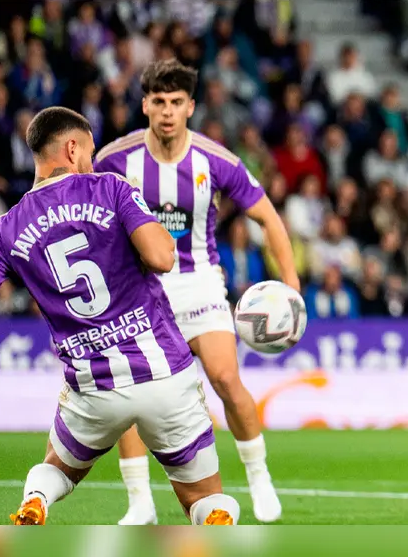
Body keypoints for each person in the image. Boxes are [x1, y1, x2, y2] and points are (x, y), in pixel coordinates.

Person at [0, 106, 239, 525]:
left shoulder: (5, 229)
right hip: (163, 373)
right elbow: (161, 257)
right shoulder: (111, 188)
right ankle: (214, 519)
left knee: (56, 466)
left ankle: (37, 499)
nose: (92, 161)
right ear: (70, 147)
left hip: (93, 387)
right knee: (202, 495)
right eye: (88, 151)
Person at [94, 60, 300, 525]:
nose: (167, 112)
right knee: (131, 393)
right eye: (159, 102)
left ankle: (258, 477)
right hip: (139, 289)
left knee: (226, 379)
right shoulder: (114, 159)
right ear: (145, 105)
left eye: (176, 103)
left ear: (191, 107)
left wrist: (292, 282)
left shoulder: (217, 160)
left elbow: (268, 217)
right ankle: (140, 502)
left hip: (200, 282)